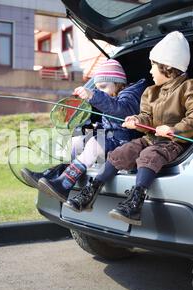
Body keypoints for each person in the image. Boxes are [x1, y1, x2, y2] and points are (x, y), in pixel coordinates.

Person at [65, 31, 193, 226]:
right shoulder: (151, 92)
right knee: (121, 152)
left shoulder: (189, 88)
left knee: (148, 156)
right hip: (151, 138)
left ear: (168, 66)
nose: (150, 70)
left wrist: (174, 129)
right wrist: (136, 119)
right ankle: (91, 193)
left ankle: (135, 204)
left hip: (173, 142)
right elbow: (147, 117)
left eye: (153, 65)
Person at [21, 59, 147, 202]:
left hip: (123, 144)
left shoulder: (129, 96)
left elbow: (119, 110)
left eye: (104, 87)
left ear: (118, 83)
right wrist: (94, 126)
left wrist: (94, 96)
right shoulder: (111, 95)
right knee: (76, 142)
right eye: (98, 88)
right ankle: (52, 175)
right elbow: (108, 120)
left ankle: (64, 185)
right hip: (110, 138)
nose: (100, 91)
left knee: (94, 144)